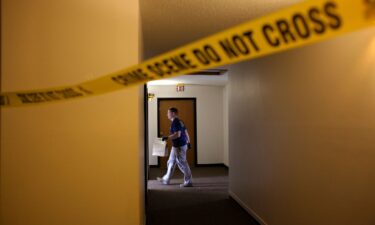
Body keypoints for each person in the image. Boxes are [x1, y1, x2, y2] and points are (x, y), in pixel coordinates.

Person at [157, 107, 193, 187]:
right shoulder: (180, 121)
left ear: (173, 113)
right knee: (171, 162)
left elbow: (178, 134)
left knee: (182, 163)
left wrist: (167, 137)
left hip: (179, 146)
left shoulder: (176, 122)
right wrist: (189, 142)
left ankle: (188, 181)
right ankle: (166, 179)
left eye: (168, 113)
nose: (167, 115)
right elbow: (186, 132)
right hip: (177, 146)